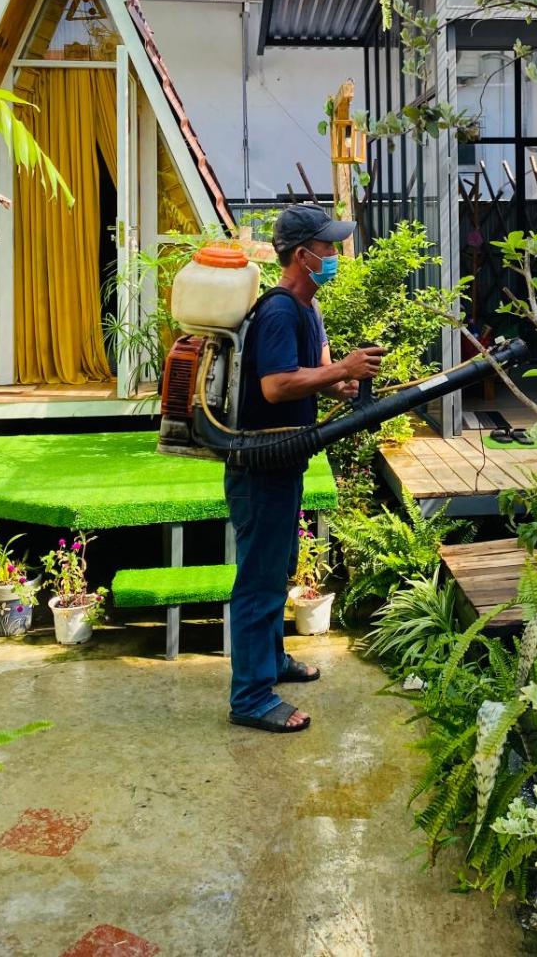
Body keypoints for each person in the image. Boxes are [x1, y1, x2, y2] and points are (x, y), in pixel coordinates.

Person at [226, 204, 384, 735]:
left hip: (284, 459)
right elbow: (275, 386)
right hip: (259, 465)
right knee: (258, 580)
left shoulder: (307, 308)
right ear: (302, 256)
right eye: (328, 247)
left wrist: (338, 382)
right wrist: (342, 368)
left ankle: (270, 662)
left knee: (277, 568)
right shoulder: (279, 310)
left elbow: (304, 374)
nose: (335, 255)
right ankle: (250, 697)